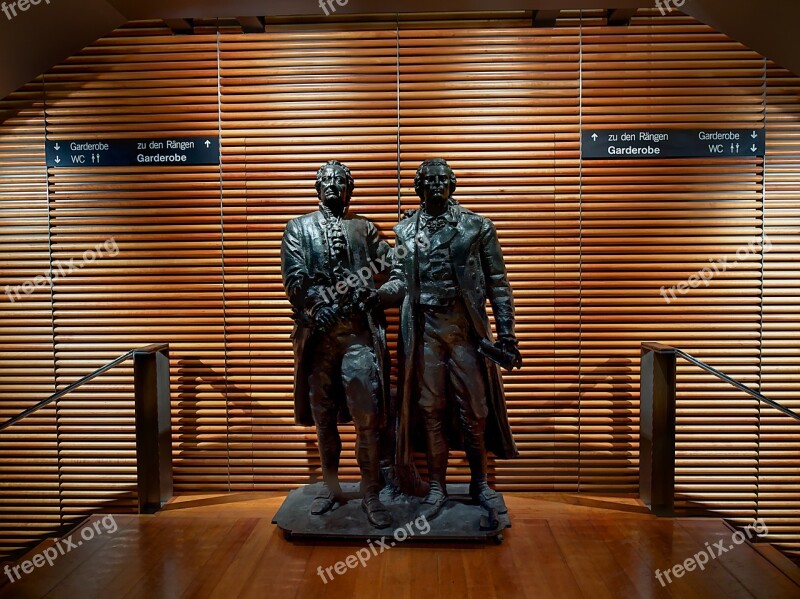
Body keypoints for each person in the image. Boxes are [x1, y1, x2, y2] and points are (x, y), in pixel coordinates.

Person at [380, 158, 522, 520]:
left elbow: (498, 284)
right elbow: (399, 280)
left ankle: (481, 483)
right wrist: (374, 293)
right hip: (425, 331)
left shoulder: (477, 227)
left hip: (465, 332)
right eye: (430, 181)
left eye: (444, 180)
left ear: (453, 185)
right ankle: (437, 488)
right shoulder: (405, 232)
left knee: (475, 409)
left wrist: (506, 333)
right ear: (419, 187)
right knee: (431, 409)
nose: (437, 186)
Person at [281, 160, 392, 528]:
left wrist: (374, 294)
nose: (333, 186)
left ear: (349, 189)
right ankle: (331, 487)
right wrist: (315, 306)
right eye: (326, 181)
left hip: (358, 337)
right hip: (319, 340)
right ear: (317, 188)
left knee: (367, 413)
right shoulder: (298, 228)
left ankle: (371, 490)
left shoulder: (365, 229)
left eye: (340, 181)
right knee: (323, 417)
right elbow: (294, 278)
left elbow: (396, 268)